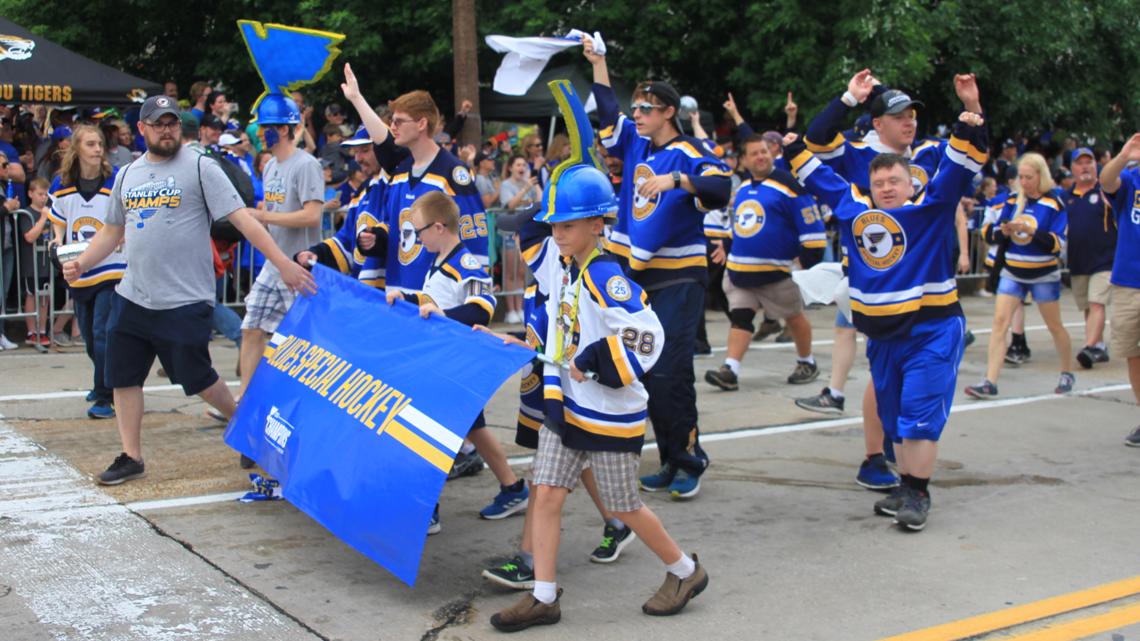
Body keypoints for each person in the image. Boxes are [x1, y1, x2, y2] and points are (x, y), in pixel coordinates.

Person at [483, 157, 706, 632]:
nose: (556, 233)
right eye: (554, 224)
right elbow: (567, 333)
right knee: (545, 494)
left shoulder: (607, 275)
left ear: (595, 223)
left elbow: (648, 336)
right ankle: (543, 595)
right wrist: (533, 347)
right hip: (566, 405)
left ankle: (686, 572)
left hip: (608, 412)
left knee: (624, 505)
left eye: (566, 224)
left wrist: (592, 360)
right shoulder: (564, 267)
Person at [62, 95, 315, 485]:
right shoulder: (127, 175)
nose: (167, 130)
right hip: (134, 294)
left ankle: (244, 425)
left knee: (197, 379)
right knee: (123, 377)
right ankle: (131, 455)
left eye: (173, 123)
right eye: (159, 123)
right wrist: (83, 263)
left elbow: (243, 221)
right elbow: (112, 231)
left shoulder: (200, 167)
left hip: (184, 297)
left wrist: (283, 265)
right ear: (143, 129)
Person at [787, 74, 988, 531]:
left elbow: (963, 160)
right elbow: (815, 167)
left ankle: (918, 493)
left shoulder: (931, 205)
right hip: (881, 335)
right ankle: (903, 482)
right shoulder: (857, 209)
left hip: (930, 328)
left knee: (918, 415)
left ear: (912, 183)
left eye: (896, 180)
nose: (888, 187)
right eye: (880, 182)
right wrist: (794, 146)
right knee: (895, 415)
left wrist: (972, 113)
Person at [584, 35, 732, 500]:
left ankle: (690, 459)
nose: (638, 115)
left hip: (680, 276)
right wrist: (599, 62)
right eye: (637, 108)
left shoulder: (686, 152)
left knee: (670, 369)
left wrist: (678, 181)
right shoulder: (634, 146)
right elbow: (608, 113)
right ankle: (669, 459)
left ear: (669, 111)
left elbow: (721, 186)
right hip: (638, 275)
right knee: (646, 371)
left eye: (647, 109)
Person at [384, 191, 527, 531]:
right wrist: (405, 296)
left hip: (452, 366)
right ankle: (512, 487)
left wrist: (444, 314)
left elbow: (483, 306)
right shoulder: (439, 261)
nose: (416, 240)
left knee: (428, 433)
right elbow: (433, 299)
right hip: (442, 363)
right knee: (473, 428)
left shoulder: (464, 263)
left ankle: (427, 508)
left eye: (418, 232)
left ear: (437, 227)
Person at [236, 94, 326, 448]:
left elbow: (312, 215)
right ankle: (247, 404)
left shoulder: (306, 165)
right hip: (274, 266)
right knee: (252, 328)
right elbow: (273, 208)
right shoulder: (269, 166)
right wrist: (263, 214)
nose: (263, 133)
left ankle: (308, 415)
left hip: (301, 266)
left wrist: (263, 216)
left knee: (303, 347)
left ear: (287, 129)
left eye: (270, 128)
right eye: (261, 126)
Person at [704, 133, 825, 391]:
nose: (761, 156)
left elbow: (810, 221)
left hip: (777, 271)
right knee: (740, 317)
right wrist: (726, 244)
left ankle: (807, 361)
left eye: (764, 152)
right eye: (754, 153)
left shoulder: (788, 185)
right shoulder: (744, 187)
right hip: (741, 272)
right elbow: (739, 223)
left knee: (793, 317)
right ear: (744, 160)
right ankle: (730, 370)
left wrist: (808, 258)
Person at [966, 152, 1074, 399]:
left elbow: (1057, 244)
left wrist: (1029, 231)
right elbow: (989, 234)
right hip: (1012, 271)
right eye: (1021, 177)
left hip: (1043, 272)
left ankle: (1067, 371)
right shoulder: (1013, 201)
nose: (1023, 182)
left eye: (1028, 177)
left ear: (1041, 176)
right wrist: (1004, 231)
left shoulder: (1054, 204)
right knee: (999, 324)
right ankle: (989, 381)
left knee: (1055, 326)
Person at [46, 125, 122, 418]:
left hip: (111, 265)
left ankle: (105, 396)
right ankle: (103, 381)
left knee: (102, 331)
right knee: (90, 337)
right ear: (77, 149)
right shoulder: (61, 183)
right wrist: (56, 238)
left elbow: (126, 214)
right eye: (90, 144)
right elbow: (59, 221)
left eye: (99, 143)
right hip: (78, 267)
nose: (97, 149)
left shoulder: (115, 180)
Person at [1098, 134, 1140, 445]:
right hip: (1129, 282)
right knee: (1132, 353)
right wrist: (1124, 155)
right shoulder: (1131, 179)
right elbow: (1106, 180)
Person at [1062, 147, 1116, 369]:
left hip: (1105, 259)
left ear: (1096, 165)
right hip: (1078, 261)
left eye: (1089, 162)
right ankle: (1099, 346)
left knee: (1096, 303)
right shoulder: (1066, 198)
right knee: (1087, 305)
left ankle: (1089, 345)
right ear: (1072, 168)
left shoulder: (1106, 191)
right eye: (1080, 163)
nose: (1085, 166)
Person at [499, 154, 541, 324]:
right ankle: (511, 310)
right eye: (518, 164)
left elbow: (540, 201)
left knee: (522, 273)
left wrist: (534, 184)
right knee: (510, 273)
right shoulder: (505, 185)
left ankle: (521, 308)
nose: (521, 167)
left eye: (524, 164)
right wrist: (525, 189)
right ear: (510, 167)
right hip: (509, 234)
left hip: (524, 233)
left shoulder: (528, 184)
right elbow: (510, 205)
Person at [18, 178, 52, 348]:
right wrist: (43, 218)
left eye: (46, 194)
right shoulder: (26, 213)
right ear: (30, 194)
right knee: (31, 294)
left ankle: (43, 330)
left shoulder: (50, 212)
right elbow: (29, 237)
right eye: (40, 194)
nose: (43, 198)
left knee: (45, 296)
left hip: (46, 263)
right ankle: (31, 332)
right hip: (31, 264)